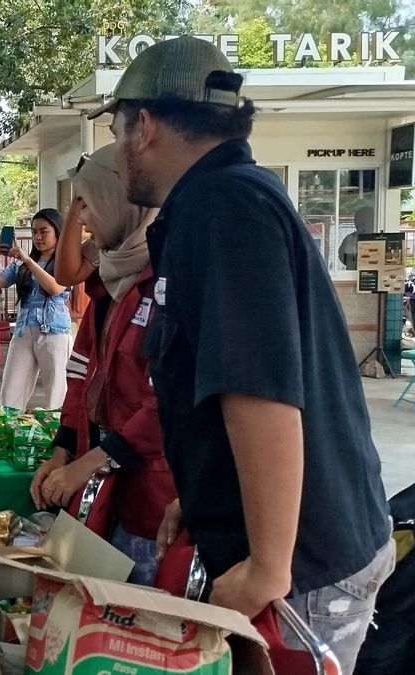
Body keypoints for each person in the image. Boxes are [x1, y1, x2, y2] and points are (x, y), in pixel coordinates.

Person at [97, 36, 393, 670]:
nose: (115, 153)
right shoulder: (220, 201)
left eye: (117, 127)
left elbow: (259, 395)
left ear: (144, 124)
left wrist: (267, 566)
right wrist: (207, 496)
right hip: (295, 541)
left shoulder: (224, 207)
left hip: (305, 566)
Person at [29, 145, 174, 585]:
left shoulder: (169, 280)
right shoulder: (110, 280)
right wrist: (63, 449)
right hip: (103, 488)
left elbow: (165, 403)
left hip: (152, 496)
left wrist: (87, 464)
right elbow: (80, 374)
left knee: (140, 617)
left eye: (88, 204)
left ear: (121, 202)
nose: (83, 219)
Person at [0, 209, 71, 410]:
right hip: (24, 331)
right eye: (34, 232)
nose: (38, 237)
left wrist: (28, 261)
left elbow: (55, 287)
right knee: (10, 393)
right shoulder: (20, 266)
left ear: (58, 231)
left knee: (56, 395)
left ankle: (55, 437)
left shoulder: (65, 263)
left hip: (55, 333)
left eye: (44, 231)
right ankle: (7, 435)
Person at [338, 206, 376, 271]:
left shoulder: (379, 238)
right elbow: (342, 257)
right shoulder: (350, 238)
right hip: (353, 275)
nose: (359, 223)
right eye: (357, 220)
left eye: (364, 220)